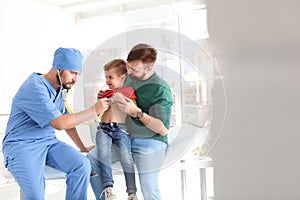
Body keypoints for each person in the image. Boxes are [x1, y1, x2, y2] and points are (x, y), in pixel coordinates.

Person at [2, 47, 110, 200]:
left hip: (48, 142)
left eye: (78, 74)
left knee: (82, 165)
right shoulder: (35, 87)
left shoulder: (60, 89)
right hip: (21, 145)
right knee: (36, 196)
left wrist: (82, 148)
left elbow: (68, 119)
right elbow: (60, 123)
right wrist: (94, 110)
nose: (75, 79)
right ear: (58, 69)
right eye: (72, 73)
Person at [87, 43, 173, 200]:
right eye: (128, 68)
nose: (129, 73)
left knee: (148, 187)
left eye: (135, 70)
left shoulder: (161, 89)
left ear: (148, 68)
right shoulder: (127, 78)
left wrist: (136, 113)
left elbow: (162, 130)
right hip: (123, 136)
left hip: (150, 141)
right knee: (91, 161)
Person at [96, 59, 138, 200]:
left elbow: (134, 110)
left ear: (122, 77)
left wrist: (122, 98)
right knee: (103, 155)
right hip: (104, 128)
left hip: (121, 130)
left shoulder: (128, 92)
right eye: (106, 77)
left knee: (126, 159)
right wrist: (100, 100)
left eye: (110, 77)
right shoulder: (107, 93)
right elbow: (97, 111)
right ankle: (109, 189)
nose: (107, 80)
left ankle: (132, 193)